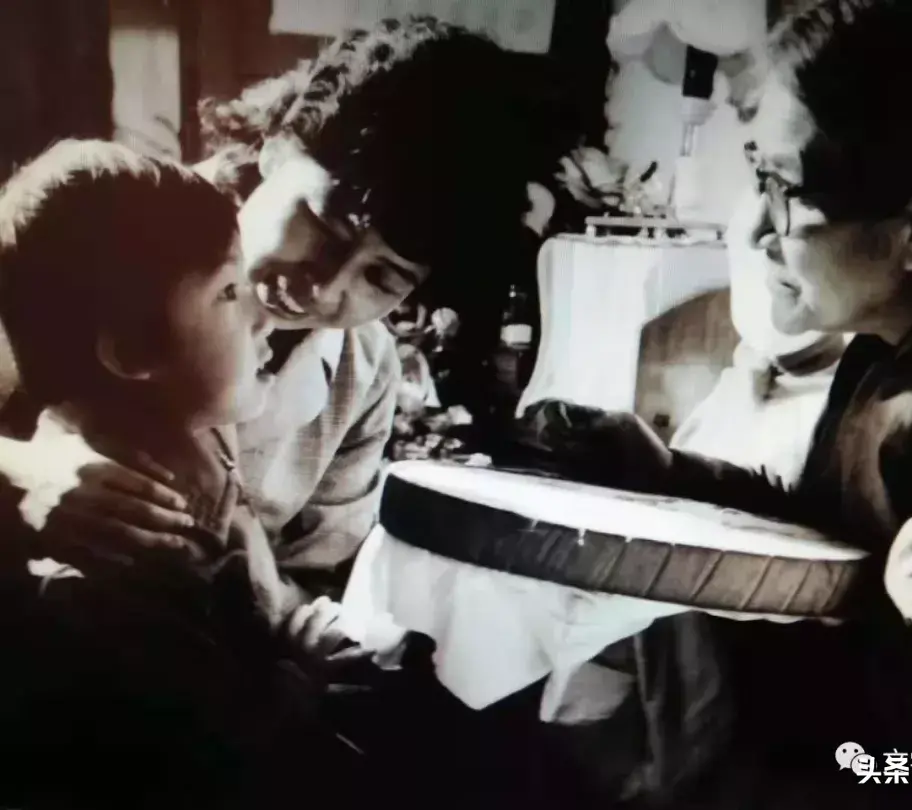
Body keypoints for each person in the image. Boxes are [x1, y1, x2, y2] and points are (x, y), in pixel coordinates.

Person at [520, 0, 912, 806]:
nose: (755, 228)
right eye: (758, 176)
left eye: (782, 186)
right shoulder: (900, 346)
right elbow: (832, 540)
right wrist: (669, 474)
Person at [0, 17, 576, 641]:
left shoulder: (364, 371)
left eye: (382, 279)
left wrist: (298, 625)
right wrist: (22, 476)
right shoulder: (103, 226)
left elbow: (311, 578)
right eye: (325, 230)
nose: (323, 287)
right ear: (279, 146)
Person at [0, 140, 377, 810]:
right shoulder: (115, 558)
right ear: (132, 350)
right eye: (230, 293)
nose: (262, 310)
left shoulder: (198, 427)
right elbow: (212, 747)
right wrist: (297, 675)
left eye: (386, 278)